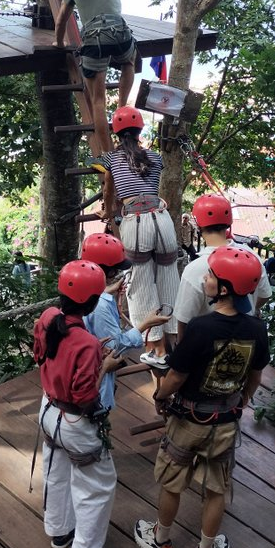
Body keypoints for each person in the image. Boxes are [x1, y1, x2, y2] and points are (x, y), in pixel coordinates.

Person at [133, 247, 269, 548]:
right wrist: (242, 400)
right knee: (216, 487)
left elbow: (177, 376)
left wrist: (161, 395)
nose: (205, 279)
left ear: (224, 289)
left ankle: (161, 540)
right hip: (224, 421)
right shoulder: (256, 329)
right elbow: (255, 374)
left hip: (188, 420)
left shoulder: (200, 328)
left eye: (211, 276)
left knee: (172, 480)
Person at [33, 260, 123, 548]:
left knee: (56, 470)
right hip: (75, 421)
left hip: (48, 411)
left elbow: (42, 352)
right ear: (94, 302)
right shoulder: (86, 345)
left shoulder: (48, 317)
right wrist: (104, 366)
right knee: (97, 484)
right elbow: (85, 396)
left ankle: (59, 530)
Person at [101, 106, 180, 369]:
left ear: (116, 132)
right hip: (162, 218)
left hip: (136, 222)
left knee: (140, 284)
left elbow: (109, 188)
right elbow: (149, 186)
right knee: (169, 279)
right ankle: (175, 343)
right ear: (140, 131)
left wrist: (107, 209)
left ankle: (156, 350)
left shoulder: (111, 159)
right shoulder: (155, 157)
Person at [54, 0, 137, 151]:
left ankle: (109, 155)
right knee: (129, 61)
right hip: (121, 33)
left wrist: (59, 43)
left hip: (94, 38)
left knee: (98, 101)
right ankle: (122, 107)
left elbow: (62, 18)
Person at [80, 232, 171, 410]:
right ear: (111, 271)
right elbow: (114, 346)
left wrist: (107, 290)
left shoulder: (83, 290)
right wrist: (146, 324)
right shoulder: (101, 306)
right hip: (95, 384)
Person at [174, 194, 264, 344]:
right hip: (245, 345)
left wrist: (181, 350)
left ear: (197, 224)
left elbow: (183, 320)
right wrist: (249, 311)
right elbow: (265, 294)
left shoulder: (195, 268)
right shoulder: (252, 257)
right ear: (229, 222)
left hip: (204, 348)